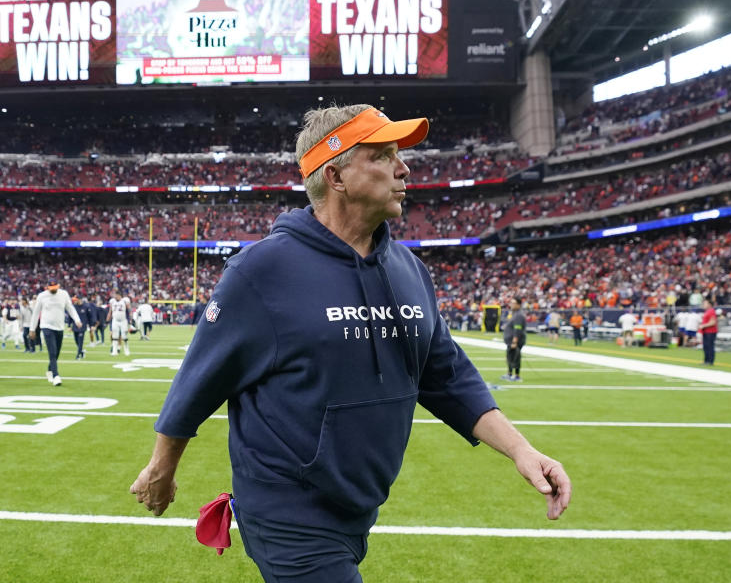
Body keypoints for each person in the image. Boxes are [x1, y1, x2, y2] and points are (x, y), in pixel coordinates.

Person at [130, 104, 571, 582]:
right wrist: (161, 468)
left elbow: (445, 376)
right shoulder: (261, 273)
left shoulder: (408, 269)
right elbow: (198, 382)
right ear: (336, 176)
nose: (404, 168)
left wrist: (523, 451)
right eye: (382, 156)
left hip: (357, 508)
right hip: (286, 512)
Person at [29, 281, 82, 386]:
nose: (53, 289)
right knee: (52, 352)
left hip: (59, 327)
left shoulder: (64, 294)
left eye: (55, 287)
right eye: (51, 288)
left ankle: (50, 370)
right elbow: (36, 313)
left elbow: (70, 308)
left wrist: (77, 319)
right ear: (47, 287)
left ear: (58, 286)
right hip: (46, 327)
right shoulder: (42, 296)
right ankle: (56, 376)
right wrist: (32, 329)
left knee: (57, 352)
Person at [501, 297, 527, 382]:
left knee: (515, 358)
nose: (511, 305)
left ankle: (517, 375)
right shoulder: (514, 314)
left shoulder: (518, 315)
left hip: (515, 341)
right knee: (510, 357)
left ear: (519, 305)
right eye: (511, 303)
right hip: (510, 340)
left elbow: (517, 329)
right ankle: (509, 374)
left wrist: (514, 341)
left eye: (513, 303)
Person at [68, 295, 94, 359]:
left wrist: (91, 325)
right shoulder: (73, 307)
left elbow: (90, 317)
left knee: (80, 342)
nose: (75, 301)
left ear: (80, 299)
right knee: (76, 341)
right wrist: (69, 325)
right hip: (75, 326)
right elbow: (70, 316)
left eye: (76, 299)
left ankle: (78, 355)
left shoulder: (86, 307)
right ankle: (81, 351)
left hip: (82, 327)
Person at [107, 291, 131, 356]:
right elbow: (110, 311)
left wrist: (131, 319)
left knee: (124, 337)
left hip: (123, 320)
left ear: (120, 295)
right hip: (115, 320)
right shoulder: (112, 301)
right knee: (115, 336)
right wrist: (108, 319)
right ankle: (115, 351)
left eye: (116, 295)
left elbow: (129, 310)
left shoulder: (125, 301)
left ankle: (126, 350)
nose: (115, 296)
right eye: (115, 295)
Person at [700, 298, 718, 366]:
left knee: (709, 346)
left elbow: (713, 322)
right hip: (706, 331)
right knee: (706, 346)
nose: (703, 304)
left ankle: (710, 361)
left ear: (709, 304)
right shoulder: (707, 311)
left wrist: (703, 325)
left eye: (705, 303)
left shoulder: (711, 311)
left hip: (710, 332)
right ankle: (706, 360)